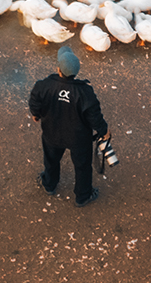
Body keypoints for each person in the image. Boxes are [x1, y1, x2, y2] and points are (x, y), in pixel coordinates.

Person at [28, 46, 115, 206]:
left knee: (51, 160)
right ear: (76, 72)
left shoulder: (44, 85)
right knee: (82, 167)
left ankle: (49, 184)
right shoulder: (85, 92)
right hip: (78, 138)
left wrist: (36, 114)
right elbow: (94, 116)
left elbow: (34, 100)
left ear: (58, 69)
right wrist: (104, 131)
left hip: (51, 133)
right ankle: (83, 196)